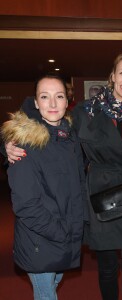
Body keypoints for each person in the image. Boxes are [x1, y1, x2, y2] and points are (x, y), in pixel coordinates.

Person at [4, 50, 122, 300]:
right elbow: (36, 121)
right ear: (112, 76)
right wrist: (6, 144)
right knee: (107, 268)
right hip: (100, 198)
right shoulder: (86, 111)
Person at [0, 74, 87, 300]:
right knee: (46, 295)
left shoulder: (68, 137)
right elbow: (26, 205)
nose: (52, 103)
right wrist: (62, 232)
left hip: (63, 233)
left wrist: (77, 226)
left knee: (54, 283)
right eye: (44, 97)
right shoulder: (25, 142)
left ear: (67, 102)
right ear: (36, 103)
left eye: (59, 96)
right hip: (41, 238)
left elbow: (77, 186)